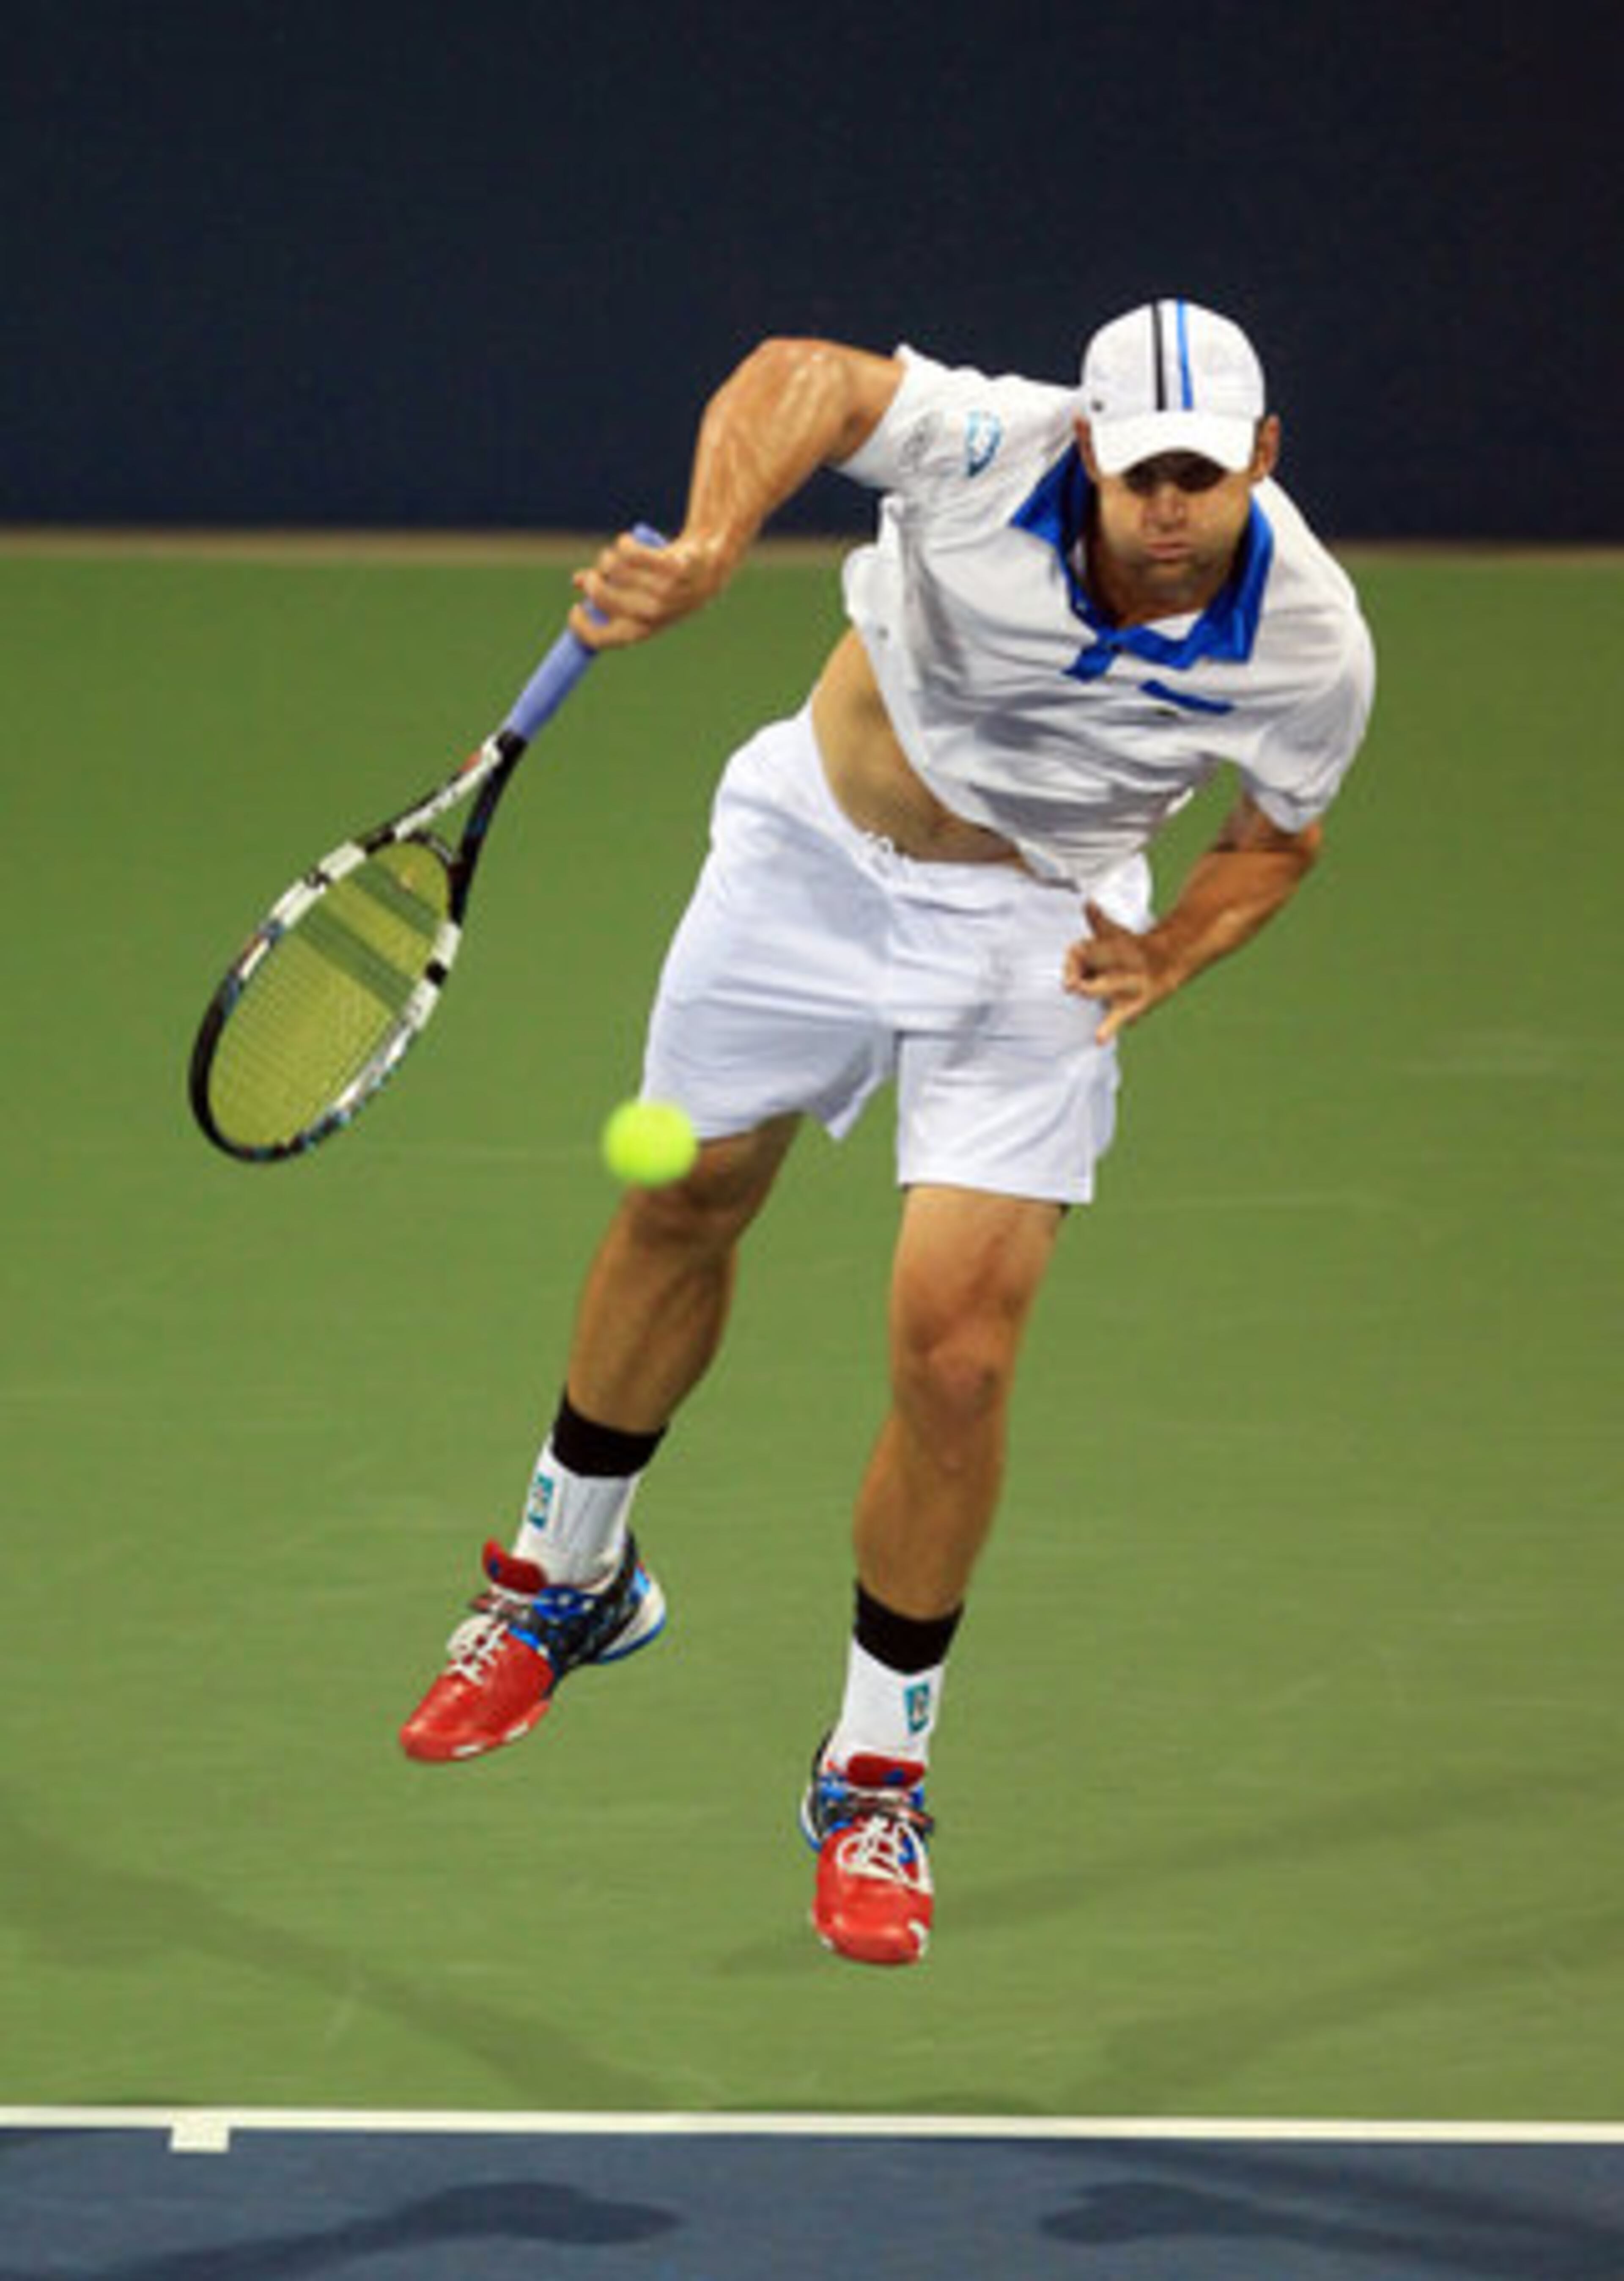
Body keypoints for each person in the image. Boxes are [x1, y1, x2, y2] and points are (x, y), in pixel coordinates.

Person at [399, 299, 1376, 1968]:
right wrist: (713, 543)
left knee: (960, 1360)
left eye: (1202, 479)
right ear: (1091, 446)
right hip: (812, 855)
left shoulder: (1313, 645)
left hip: (1036, 935)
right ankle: (570, 1581)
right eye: (1142, 473)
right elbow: (804, 378)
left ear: (1262, 464)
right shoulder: (995, 451)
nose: (1166, 510)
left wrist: (1168, 948)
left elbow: (1276, 838)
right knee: (689, 1201)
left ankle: (876, 1778)